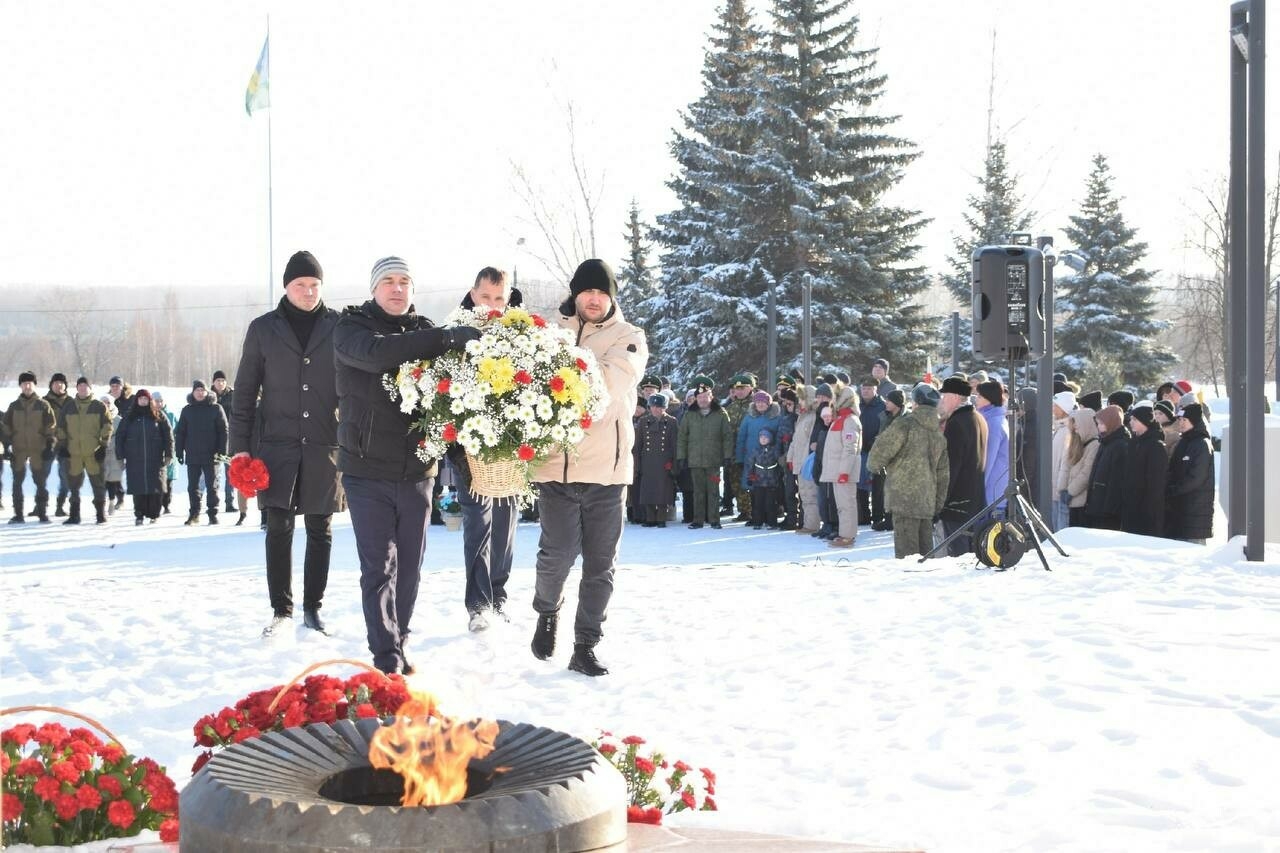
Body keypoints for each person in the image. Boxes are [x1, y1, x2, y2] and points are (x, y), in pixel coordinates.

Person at [335, 255, 480, 673]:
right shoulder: (352, 329)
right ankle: (386, 657)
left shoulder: (423, 331)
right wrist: (445, 339)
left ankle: (400, 639)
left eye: (404, 282)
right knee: (378, 566)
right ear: (374, 288)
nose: (397, 289)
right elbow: (379, 355)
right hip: (366, 470)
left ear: (412, 291)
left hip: (418, 472)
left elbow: (449, 402)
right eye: (388, 282)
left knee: (411, 567)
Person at [529, 259, 648, 677]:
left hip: (607, 473)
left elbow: (606, 387)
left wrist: (555, 368)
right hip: (555, 469)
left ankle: (585, 645)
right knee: (556, 557)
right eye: (587, 292)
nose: (594, 299)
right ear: (575, 294)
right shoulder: (546, 332)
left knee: (600, 565)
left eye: (602, 292)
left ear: (611, 296)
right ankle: (547, 611)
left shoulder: (629, 337)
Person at [233, 250, 345, 637]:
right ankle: (281, 609)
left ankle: (314, 608)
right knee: (278, 525)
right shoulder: (263, 329)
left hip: (323, 445)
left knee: (320, 527)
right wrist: (240, 447)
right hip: (276, 447)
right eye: (301, 285)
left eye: (315, 285)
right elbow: (244, 392)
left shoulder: (339, 325)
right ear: (287, 287)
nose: (309, 292)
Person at [446, 266, 523, 632]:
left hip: (510, 451)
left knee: (506, 523)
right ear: (473, 293)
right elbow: (440, 396)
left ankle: (498, 594)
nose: (491, 306)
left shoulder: (523, 336)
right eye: (485, 297)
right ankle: (478, 604)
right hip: (469, 451)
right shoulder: (453, 332)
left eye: (499, 299)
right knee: (478, 522)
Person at [866, 383, 949, 559]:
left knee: (906, 556)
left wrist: (874, 466)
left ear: (916, 403)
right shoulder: (938, 434)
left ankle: (909, 583)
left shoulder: (904, 425)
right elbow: (943, 475)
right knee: (926, 552)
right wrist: (937, 504)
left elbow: (878, 453)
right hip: (927, 500)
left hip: (902, 498)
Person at [937, 375, 988, 557]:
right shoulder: (977, 417)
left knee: (958, 555)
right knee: (972, 552)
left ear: (955, 397)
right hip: (975, 498)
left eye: (945, 396)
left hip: (958, 502)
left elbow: (951, 467)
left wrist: (941, 501)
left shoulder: (957, 423)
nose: (942, 401)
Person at [677, 376, 733, 531]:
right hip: (695, 460)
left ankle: (714, 520)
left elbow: (727, 436)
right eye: (699, 397)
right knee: (698, 492)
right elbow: (682, 437)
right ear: (696, 398)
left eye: (705, 396)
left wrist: (728, 456)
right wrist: (681, 456)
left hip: (713, 460)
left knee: (713, 491)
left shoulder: (721, 413)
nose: (702, 400)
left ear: (711, 397)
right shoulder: (690, 414)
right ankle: (698, 520)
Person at [55, 377, 113, 525]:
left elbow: (107, 426)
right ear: (76, 388)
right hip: (73, 454)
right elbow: (61, 428)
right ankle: (74, 515)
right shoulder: (68, 407)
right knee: (73, 485)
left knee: (98, 484)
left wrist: (103, 445)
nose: (82, 388)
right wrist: (62, 446)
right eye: (80, 386)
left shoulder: (99, 406)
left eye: (85, 386)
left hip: (93, 453)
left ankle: (101, 514)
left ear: (90, 388)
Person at [2, 370, 57, 523]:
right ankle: (18, 514)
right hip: (18, 449)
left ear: (34, 385)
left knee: (40, 481)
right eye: (24, 383)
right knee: (17, 481)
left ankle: (42, 513)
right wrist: (7, 446)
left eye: (30, 383)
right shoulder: (14, 406)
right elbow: (6, 426)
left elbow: (51, 425)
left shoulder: (43, 405)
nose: (27, 386)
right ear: (20, 386)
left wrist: (49, 444)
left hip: (38, 449)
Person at [114, 390, 173, 525]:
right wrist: (120, 456)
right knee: (138, 489)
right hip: (135, 460)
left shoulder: (159, 415)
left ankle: (154, 514)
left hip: (155, 459)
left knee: (155, 488)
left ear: (149, 400)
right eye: (140, 399)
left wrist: (169, 454)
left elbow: (168, 437)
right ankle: (139, 514)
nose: (143, 401)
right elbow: (120, 437)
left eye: (145, 399)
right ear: (136, 401)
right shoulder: (129, 417)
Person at [176, 380, 228, 525]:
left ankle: (212, 513)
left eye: (202, 390)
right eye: (197, 390)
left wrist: (222, 450)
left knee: (212, 486)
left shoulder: (216, 408)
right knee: (193, 487)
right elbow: (180, 432)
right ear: (193, 392)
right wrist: (179, 451)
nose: (200, 393)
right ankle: (194, 514)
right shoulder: (187, 410)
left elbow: (224, 431)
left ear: (207, 392)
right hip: (193, 454)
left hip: (212, 455)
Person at [1165, 403, 1214, 544]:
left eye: (1184, 420)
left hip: (1196, 512)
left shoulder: (1202, 444)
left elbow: (1197, 478)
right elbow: (1172, 470)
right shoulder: (1183, 442)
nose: (1180, 423)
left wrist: (1174, 490)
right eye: (1179, 420)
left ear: (1194, 421)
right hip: (1180, 509)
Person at [735, 391, 782, 524]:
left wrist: (779, 456)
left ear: (769, 403)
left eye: (763, 402)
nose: (760, 404)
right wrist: (739, 457)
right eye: (758, 402)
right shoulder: (749, 418)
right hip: (752, 460)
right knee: (754, 489)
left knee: (770, 489)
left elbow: (779, 437)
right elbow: (741, 437)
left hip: (770, 460)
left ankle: (771, 515)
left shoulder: (776, 418)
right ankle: (756, 517)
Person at [823, 388, 862, 548]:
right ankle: (844, 532)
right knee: (842, 505)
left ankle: (848, 536)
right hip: (837, 471)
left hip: (843, 471)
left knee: (847, 504)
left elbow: (850, 447)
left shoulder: (850, 420)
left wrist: (844, 471)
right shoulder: (840, 419)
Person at [633, 393, 678, 529]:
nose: (656, 409)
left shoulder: (671, 421)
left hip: (664, 461)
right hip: (647, 460)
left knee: (663, 491)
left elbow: (675, 444)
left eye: (659, 407)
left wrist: (674, 463)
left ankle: (662, 518)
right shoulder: (643, 421)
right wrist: (637, 464)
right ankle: (650, 518)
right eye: (653, 406)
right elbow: (638, 445)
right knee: (648, 490)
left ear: (665, 408)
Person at [1120, 406, 1166, 537]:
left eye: (1135, 419)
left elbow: (1156, 483)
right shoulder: (1134, 442)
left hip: (1146, 509)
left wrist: (1149, 510)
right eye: (1131, 419)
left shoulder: (1155, 446)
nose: (1131, 422)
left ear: (1145, 421)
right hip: (1131, 505)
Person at [1085, 404, 1128, 529]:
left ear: (1111, 422)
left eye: (1101, 423)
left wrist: (1110, 509)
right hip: (1098, 504)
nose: (1098, 427)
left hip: (1107, 510)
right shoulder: (1106, 442)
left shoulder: (1120, 445)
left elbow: (1117, 480)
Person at [211, 369, 246, 521]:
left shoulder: (232, 396)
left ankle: (229, 502)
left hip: (230, 439)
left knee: (230, 472)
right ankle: (209, 503)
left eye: (223, 381)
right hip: (213, 440)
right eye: (218, 380)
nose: (221, 383)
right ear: (213, 382)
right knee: (211, 474)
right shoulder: (209, 397)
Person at [975, 380, 1009, 513]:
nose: (976, 399)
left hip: (990, 494)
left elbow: (987, 459)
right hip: (995, 491)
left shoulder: (993, 423)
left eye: (979, 396)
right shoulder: (995, 418)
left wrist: (978, 489)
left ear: (989, 399)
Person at [1063, 408, 1100, 527]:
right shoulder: (1083, 444)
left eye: (1078, 426)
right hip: (1075, 500)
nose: (1076, 429)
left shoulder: (1094, 445)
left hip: (1082, 501)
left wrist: (1070, 491)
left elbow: (1086, 473)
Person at [856, 378, 886, 527]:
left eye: (869, 388)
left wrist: (875, 442)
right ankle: (863, 516)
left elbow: (885, 428)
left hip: (877, 451)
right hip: (859, 450)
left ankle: (878, 516)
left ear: (875, 390)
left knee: (877, 486)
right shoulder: (858, 406)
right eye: (863, 388)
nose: (865, 391)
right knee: (860, 485)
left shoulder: (882, 406)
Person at [44, 372, 71, 517]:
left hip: (66, 444)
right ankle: (41, 504)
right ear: (51, 385)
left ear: (65, 385)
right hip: (48, 443)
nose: (59, 385)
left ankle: (60, 506)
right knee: (41, 475)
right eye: (56, 383)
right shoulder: (43, 402)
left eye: (61, 382)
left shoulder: (72, 402)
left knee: (65, 476)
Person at [1050, 390, 1076, 531]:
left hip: (1060, 489)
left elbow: (1065, 462)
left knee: (1061, 528)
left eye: (1056, 406)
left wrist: (1060, 487)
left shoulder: (1068, 431)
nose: (1053, 408)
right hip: (1054, 487)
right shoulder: (1059, 428)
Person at [99, 396, 125, 513]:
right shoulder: (97, 417)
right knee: (102, 478)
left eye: (108, 402)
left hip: (115, 452)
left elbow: (123, 436)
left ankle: (112, 500)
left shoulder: (118, 419)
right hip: (102, 450)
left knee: (113, 479)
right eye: (103, 402)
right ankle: (102, 502)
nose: (106, 405)